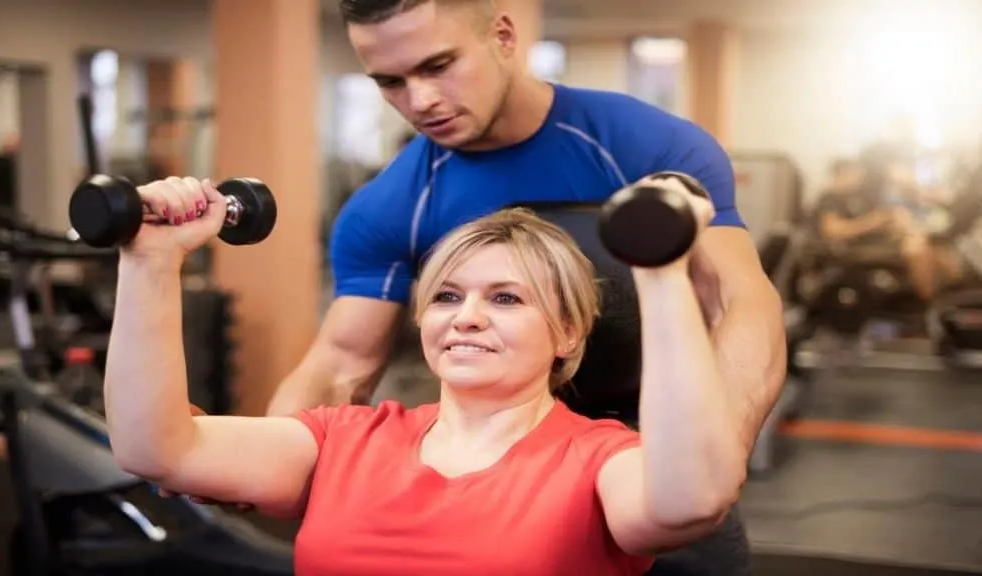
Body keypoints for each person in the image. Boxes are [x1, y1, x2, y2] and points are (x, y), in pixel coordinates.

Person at [172, 1, 785, 573]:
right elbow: (341, 363)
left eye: (439, 65)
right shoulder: (391, 205)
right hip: (502, 475)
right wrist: (262, 456)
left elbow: (739, 301)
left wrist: (719, 451)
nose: (421, 100)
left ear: (502, 36)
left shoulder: (644, 145)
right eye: (390, 82)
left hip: (653, 451)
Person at [104, 175, 747, 575]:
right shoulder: (343, 440)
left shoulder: (601, 462)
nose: (465, 317)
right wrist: (150, 263)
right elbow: (156, 448)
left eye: (505, 299)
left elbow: (690, 500)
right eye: (446, 297)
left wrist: (661, 271)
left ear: (568, 332)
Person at [812, 156, 964, 302]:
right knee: (914, 248)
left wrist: (888, 221)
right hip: (852, 249)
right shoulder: (829, 198)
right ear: (841, 173)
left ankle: (955, 292)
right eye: (855, 175)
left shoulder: (852, 198)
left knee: (933, 244)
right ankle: (928, 300)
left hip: (872, 241)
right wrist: (874, 221)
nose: (859, 180)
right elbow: (833, 231)